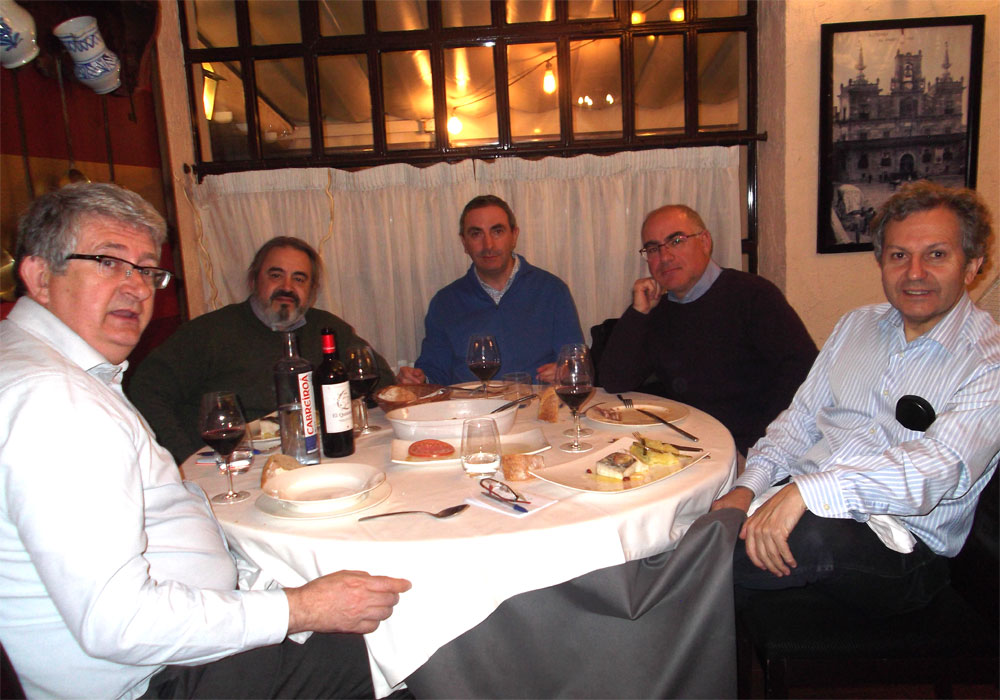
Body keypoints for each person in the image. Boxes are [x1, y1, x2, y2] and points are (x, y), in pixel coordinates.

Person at [0, 183, 411, 699]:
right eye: (109, 262)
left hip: (180, 638)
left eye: (147, 270)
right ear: (40, 276)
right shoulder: (55, 402)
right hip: (156, 678)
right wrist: (301, 608)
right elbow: (120, 623)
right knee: (403, 644)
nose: (137, 288)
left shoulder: (44, 368)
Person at [711, 181, 1000, 616]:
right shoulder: (855, 326)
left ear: (972, 265)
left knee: (725, 557)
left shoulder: (989, 361)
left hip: (906, 546)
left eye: (936, 255)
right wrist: (746, 487)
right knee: (700, 520)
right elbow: (799, 421)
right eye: (898, 255)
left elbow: (937, 471)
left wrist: (807, 492)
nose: (914, 272)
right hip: (803, 499)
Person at [129, 236, 395, 463]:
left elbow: (381, 382)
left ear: (311, 290)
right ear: (254, 280)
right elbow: (145, 390)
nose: (287, 287)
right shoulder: (209, 332)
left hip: (316, 457)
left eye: (299, 279)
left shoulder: (328, 330)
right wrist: (182, 456)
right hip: (232, 465)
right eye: (276, 275)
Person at [598, 204, 817, 455]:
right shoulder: (660, 310)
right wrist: (638, 313)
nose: (665, 256)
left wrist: (757, 449)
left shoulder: (752, 295)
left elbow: (804, 373)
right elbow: (614, 381)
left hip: (751, 448)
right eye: (653, 248)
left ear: (704, 241)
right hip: (688, 445)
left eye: (676, 241)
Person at [397, 195, 583, 386]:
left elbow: (577, 364)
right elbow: (434, 372)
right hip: (469, 404)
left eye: (497, 231)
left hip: (537, 403)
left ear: (514, 236)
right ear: (464, 242)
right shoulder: (445, 303)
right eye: (476, 234)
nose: (488, 245)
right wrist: (418, 379)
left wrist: (567, 372)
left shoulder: (552, 291)